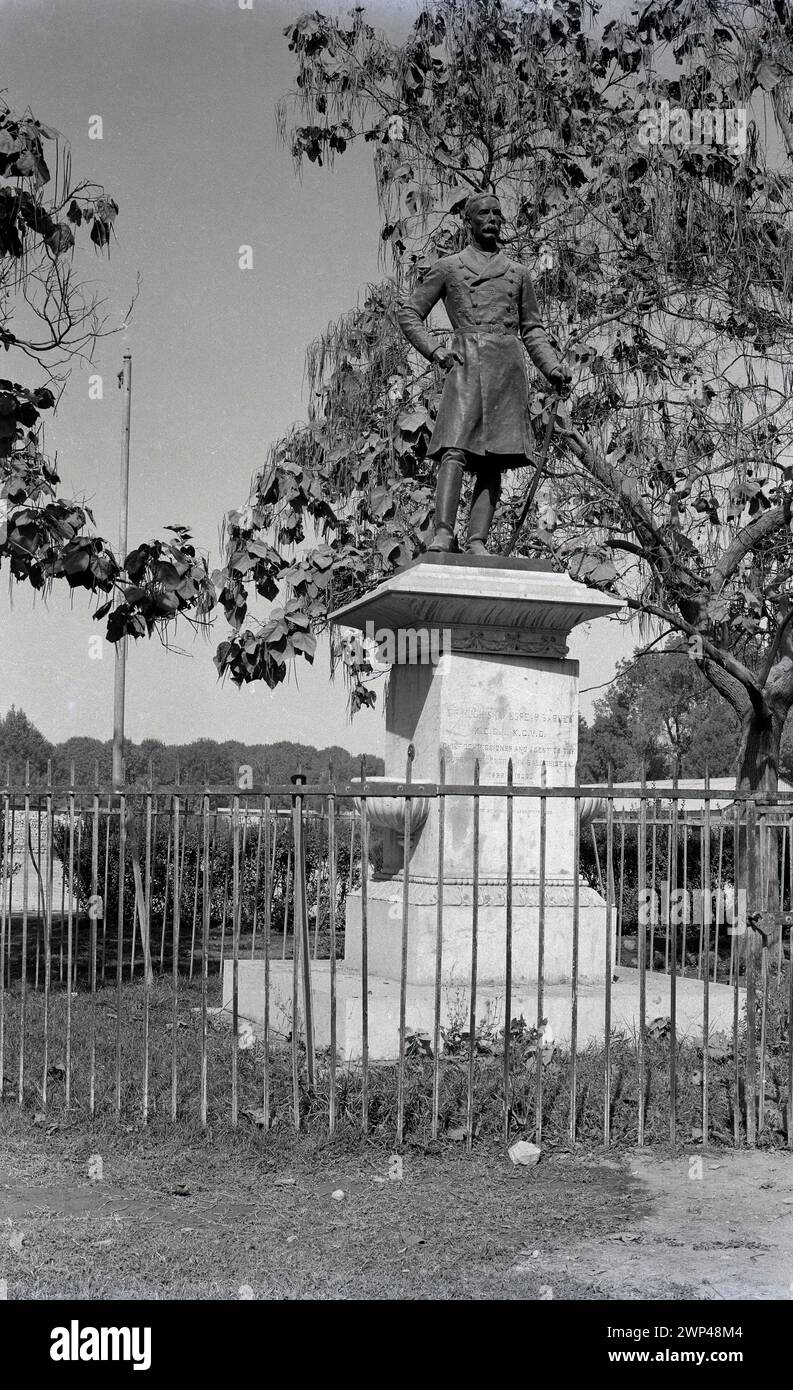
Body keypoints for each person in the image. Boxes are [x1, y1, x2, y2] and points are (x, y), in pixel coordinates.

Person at [397, 191, 571, 554]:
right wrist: (435, 350)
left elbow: (533, 330)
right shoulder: (449, 267)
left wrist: (552, 367)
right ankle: (444, 533)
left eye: (497, 213)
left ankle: (477, 541)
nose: (492, 219)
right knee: (454, 450)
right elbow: (409, 313)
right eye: (484, 214)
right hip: (465, 363)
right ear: (468, 222)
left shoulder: (518, 273)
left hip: (507, 369)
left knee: (494, 461)